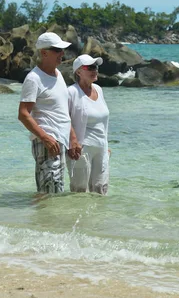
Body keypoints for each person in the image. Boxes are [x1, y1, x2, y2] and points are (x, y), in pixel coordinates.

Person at [18, 32, 71, 194]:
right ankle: (41, 219)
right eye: (57, 50)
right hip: (47, 142)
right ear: (44, 52)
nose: (62, 54)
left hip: (59, 141)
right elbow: (23, 114)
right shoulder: (34, 79)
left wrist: (73, 138)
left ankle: (45, 220)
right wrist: (45, 138)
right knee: (48, 193)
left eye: (62, 50)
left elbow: (63, 111)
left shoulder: (58, 74)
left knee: (56, 191)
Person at [67, 54, 110, 195]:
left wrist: (106, 145)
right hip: (81, 149)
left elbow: (102, 120)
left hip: (101, 148)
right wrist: (72, 142)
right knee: (79, 193)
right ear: (78, 71)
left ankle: (97, 218)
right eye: (90, 67)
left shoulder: (99, 89)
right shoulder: (71, 92)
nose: (94, 70)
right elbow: (64, 119)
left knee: (100, 191)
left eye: (96, 67)